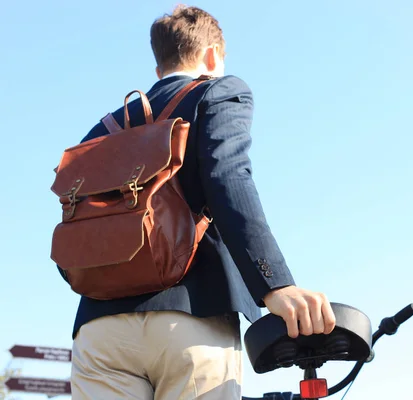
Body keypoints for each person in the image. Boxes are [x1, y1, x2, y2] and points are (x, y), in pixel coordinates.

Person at [66, 5, 336, 400]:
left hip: (98, 331)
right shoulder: (220, 91)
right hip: (191, 314)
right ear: (213, 56)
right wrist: (275, 285)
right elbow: (228, 178)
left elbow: (77, 220)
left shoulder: (102, 128)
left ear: (159, 67)